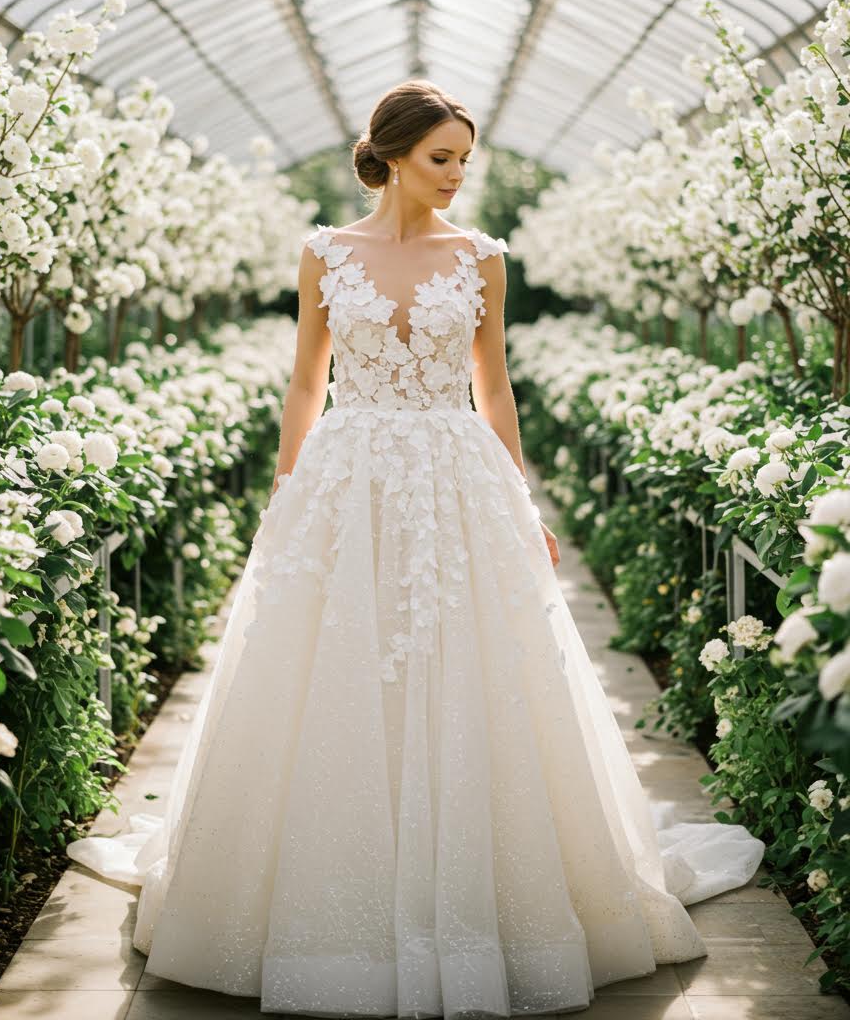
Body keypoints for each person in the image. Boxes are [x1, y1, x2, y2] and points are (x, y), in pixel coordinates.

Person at [66, 80, 765, 1016]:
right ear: (392, 155)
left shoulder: (480, 257)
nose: (458, 177)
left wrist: (520, 495)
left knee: (470, 663)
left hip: (456, 474)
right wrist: (286, 493)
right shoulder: (324, 254)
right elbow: (305, 382)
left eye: (465, 160)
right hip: (347, 475)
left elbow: (497, 386)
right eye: (443, 159)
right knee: (334, 659)